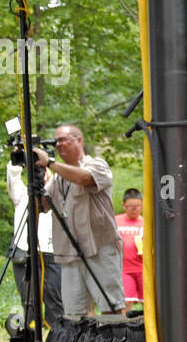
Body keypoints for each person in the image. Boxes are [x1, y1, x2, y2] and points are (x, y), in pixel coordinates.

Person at [35, 124, 125, 316]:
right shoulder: (57, 179)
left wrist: (50, 163)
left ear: (79, 140)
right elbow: (42, 206)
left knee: (111, 307)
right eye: (56, 141)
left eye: (63, 140)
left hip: (99, 248)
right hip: (70, 253)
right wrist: (34, 178)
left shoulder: (97, 164)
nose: (58, 145)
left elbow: (85, 179)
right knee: (74, 314)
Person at [7, 159, 63, 326]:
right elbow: (13, 176)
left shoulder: (57, 197)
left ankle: (57, 341)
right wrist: (20, 158)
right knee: (29, 302)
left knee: (55, 302)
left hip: (51, 254)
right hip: (25, 253)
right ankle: (29, 341)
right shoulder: (22, 194)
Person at [116, 188, 144, 305]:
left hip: (143, 269)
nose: (134, 209)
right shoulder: (116, 220)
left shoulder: (146, 222)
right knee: (127, 303)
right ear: (124, 205)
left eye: (137, 206)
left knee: (149, 303)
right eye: (130, 206)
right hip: (124, 269)